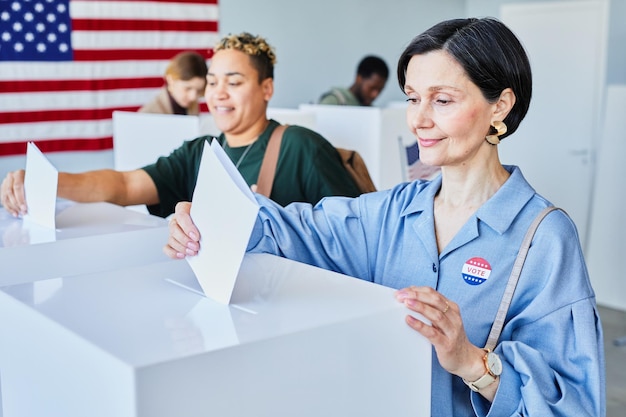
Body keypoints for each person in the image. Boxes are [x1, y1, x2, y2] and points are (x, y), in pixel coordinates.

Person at [165, 18, 606, 416]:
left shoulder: (545, 237)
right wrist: (207, 216)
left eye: (443, 100)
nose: (419, 119)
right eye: (414, 98)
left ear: (500, 107)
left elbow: (576, 404)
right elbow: (291, 230)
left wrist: (471, 361)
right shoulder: (394, 210)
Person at [0, 33, 360, 218]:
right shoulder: (198, 152)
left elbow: (355, 228)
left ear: (267, 88)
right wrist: (47, 180)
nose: (218, 94)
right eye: (213, 82)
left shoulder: (301, 146)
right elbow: (124, 185)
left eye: (233, 82)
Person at [139, 51, 208, 115]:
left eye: (198, 90)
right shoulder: (148, 114)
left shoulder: (193, 107)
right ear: (171, 80)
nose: (193, 97)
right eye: (188, 88)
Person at [318, 55, 389, 106]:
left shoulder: (372, 110)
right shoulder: (333, 101)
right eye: (372, 88)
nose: (375, 95)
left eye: (380, 90)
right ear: (359, 78)